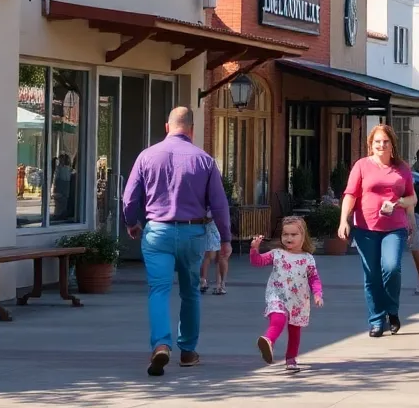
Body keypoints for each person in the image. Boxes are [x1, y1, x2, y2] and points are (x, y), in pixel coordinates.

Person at [122, 106, 232, 376]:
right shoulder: (205, 160)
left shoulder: (147, 156)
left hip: (157, 230)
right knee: (190, 291)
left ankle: (161, 344)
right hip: (193, 234)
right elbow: (219, 205)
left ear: (167, 127)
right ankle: (188, 351)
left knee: (158, 290)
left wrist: (131, 222)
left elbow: (129, 198)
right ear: (192, 130)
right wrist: (226, 238)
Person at [338, 124, 416, 337]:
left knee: (391, 268)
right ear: (370, 145)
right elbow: (350, 195)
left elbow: (412, 197)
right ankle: (376, 320)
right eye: (377, 142)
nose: (381, 145)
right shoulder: (362, 166)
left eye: (385, 141)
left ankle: (392, 310)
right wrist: (343, 220)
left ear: (392, 144)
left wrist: (400, 204)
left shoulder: (402, 168)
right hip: (365, 228)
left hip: (395, 228)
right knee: (372, 276)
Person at [252, 217, 323, 374]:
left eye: (293, 234)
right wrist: (254, 249)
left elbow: (314, 278)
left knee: (294, 330)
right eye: (285, 234)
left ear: (303, 236)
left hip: (298, 300)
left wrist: (318, 294)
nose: (289, 238)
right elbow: (258, 262)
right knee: (278, 317)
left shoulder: (307, 258)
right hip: (277, 295)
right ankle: (268, 341)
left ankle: (291, 359)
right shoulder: (276, 254)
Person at [198, 221, 226, 295]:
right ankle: (219, 285)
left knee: (208, 256)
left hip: (209, 225)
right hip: (219, 225)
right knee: (219, 257)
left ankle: (203, 281)